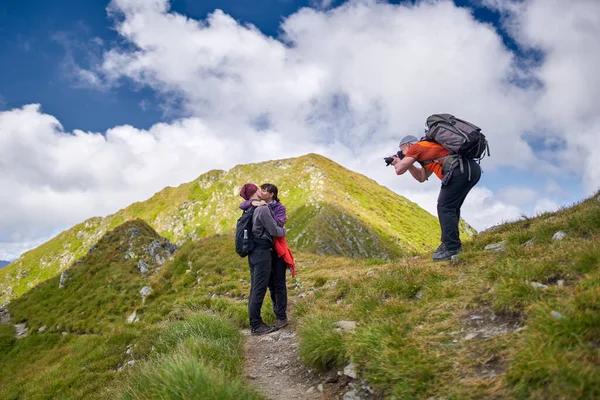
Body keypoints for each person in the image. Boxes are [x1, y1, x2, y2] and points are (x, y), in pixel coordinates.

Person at [391, 134, 481, 261]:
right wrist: (409, 164)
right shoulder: (428, 150)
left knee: (444, 207)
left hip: (458, 171)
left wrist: (397, 162)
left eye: (402, 150)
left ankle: (452, 247)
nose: (401, 153)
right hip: (470, 169)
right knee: (452, 208)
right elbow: (421, 177)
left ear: (407, 145)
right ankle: (450, 243)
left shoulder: (417, 147)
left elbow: (399, 170)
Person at [239, 183, 287, 335]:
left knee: (255, 288)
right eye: (260, 189)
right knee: (259, 289)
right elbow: (274, 230)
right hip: (262, 252)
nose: (262, 191)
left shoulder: (250, 208)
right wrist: (283, 229)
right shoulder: (262, 208)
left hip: (253, 252)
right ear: (256, 193)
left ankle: (257, 323)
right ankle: (256, 325)